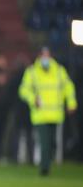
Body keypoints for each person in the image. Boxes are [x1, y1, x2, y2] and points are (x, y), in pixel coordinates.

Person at [19, 47, 78, 176]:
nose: (45, 59)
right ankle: (44, 168)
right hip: (40, 115)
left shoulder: (58, 71)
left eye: (47, 56)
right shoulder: (32, 72)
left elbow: (69, 87)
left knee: (52, 144)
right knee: (44, 143)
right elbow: (23, 90)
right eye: (43, 56)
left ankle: (46, 163)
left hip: (56, 115)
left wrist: (72, 103)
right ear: (39, 56)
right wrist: (33, 99)